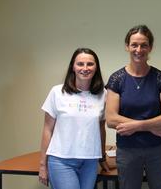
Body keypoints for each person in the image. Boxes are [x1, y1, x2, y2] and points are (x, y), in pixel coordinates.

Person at [106, 25, 161, 189]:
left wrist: (138, 126)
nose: (139, 49)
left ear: (150, 47)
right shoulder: (117, 79)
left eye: (144, 45)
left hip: (158, 150)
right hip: (127, 151)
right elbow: (110, 119)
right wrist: (151, 127)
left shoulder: (160, 78)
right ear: (127, 46)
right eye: (134, 45)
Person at [38, 48, 110, 189]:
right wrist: (42, 165)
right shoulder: (57, 92)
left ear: (96, 67)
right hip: (61, 160)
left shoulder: (103, 94)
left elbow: (101, 128)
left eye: (90, 64)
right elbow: (47, 129)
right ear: (73, 66)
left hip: (90, 161)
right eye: (80, 64)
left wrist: (102, 157)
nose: (85, 68)